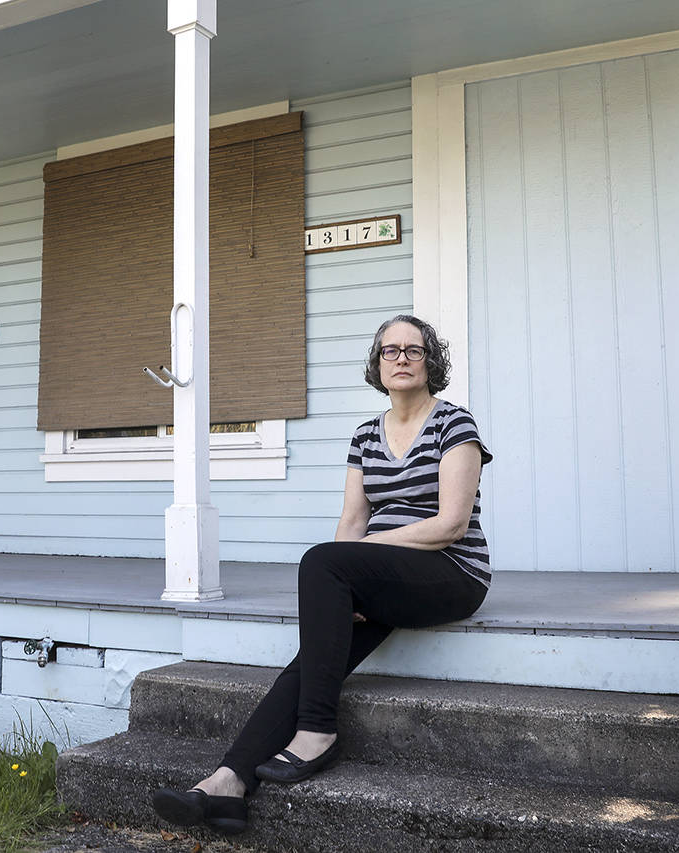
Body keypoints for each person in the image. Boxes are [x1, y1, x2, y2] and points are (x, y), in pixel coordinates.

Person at [151, 314, 493, 834]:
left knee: (321, 561)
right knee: (314, 655)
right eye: (389, 350)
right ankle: (226, 785)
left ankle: (317, 731)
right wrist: (347, 581)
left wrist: (358, 558)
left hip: (451, 576)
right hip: (387, 577)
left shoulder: (455, 424)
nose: (401, 358)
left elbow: (450, 524)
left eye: (413, 350)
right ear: (377, 365)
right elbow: (352, 522)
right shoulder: (364, 436)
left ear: (431, 363)